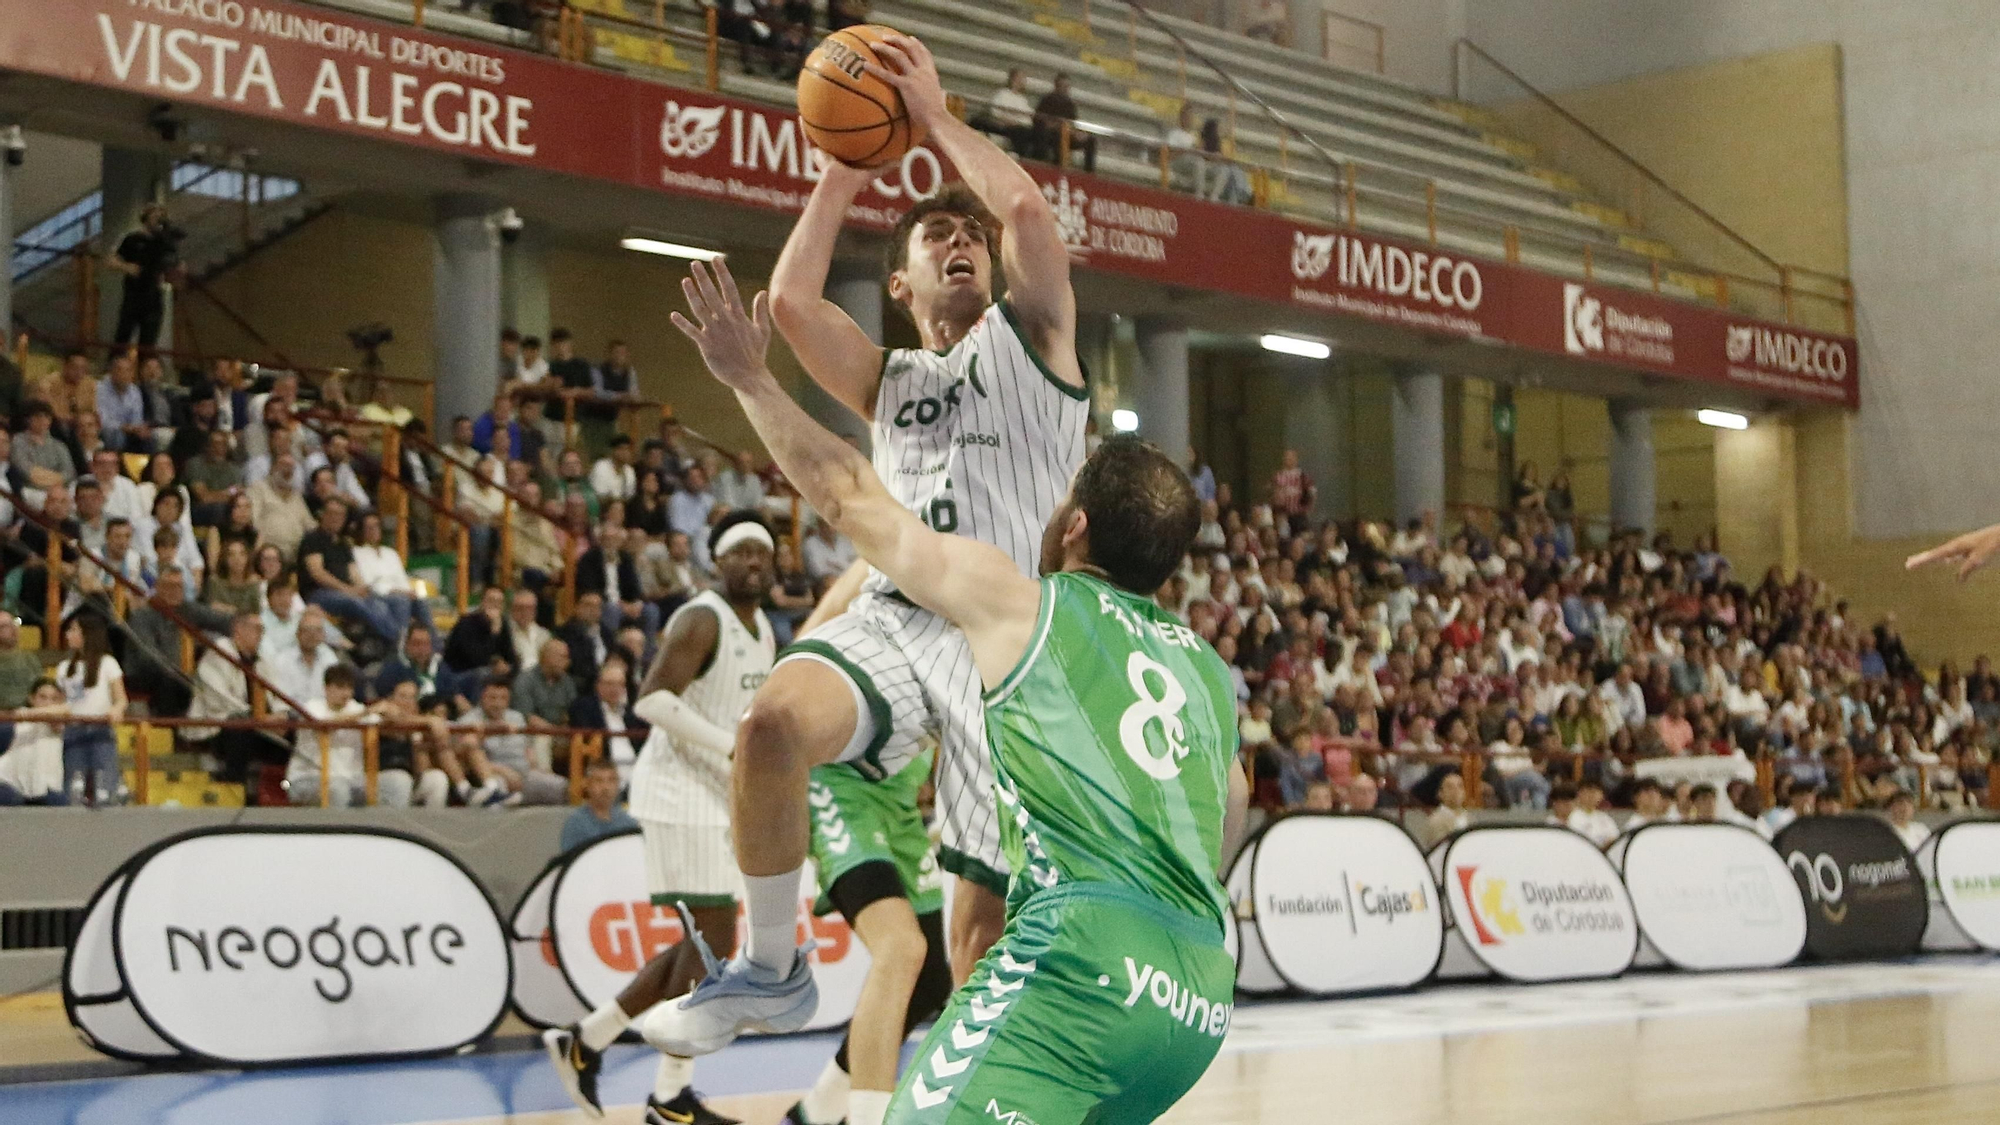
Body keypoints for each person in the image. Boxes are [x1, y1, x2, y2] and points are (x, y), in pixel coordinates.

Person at [653, 242, 1247, 1125]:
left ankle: (772, 970)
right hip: (1197, 993)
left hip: (1082, 969)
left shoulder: (1024, 603)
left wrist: (751, 380)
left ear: (1072, 522)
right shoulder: (1204, 669)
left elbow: (852, 493)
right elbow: (1231, 804)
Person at [722, 36, 1089, 1120]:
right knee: (770, 726)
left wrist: (928, 121)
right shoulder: (892, 382)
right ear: (903, 283)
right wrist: (841, 164)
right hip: (898, 622)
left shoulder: (1035, 341)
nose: (960, 242)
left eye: (964, 235)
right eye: (935, 236)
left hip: (1005, 651)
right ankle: (775, 965)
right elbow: (790, 307)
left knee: (971, 936)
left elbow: (1023, 216)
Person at [543, 511, 777, 1125]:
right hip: (678, 792)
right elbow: (651, 698)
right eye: (741, 553)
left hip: (716, 794)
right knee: (717, 942)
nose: (753, 562)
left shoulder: (765, 632)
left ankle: (589, 1042)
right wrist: (729, 747)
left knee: (700, 944)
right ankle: (667, 1096)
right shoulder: (702, 617)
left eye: (764, 554)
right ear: (718, 561)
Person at [54, 614, 126, 805]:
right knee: (73, 787)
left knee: (105, 787)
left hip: (100, 730)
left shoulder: (107, 664)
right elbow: (62, 703)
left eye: (73, 630)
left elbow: (121, 699)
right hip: (73, 731)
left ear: (88, 634)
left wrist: (116, 710)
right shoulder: (63, 668)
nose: (68, 635)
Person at [108, 203, 177, 349]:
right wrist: (127, 267)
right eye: (155, 215)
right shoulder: (132, 238)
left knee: (148, 341)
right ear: (146, 217)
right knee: (123, 336)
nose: (158, 219)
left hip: (153, 295)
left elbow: (172, 262)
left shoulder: (163, 242)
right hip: (134, 294)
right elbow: (111, 260)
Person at [0, 678, 70, 806]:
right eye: (42, 697)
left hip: (46, 788)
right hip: (11, 785)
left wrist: (29, 714)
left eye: (54, 699)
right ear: (31, 698)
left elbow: (65, 709)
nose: (48, 702)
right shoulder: (16, 720)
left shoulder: (59, 722)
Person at [560, 757, 639, 853]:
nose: (605, 787)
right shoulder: (576, 824)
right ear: (587, 784)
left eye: (611, 780)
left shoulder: (628, 824)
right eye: (599, 781)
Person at [1029, 72, 1095, 172]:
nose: (1065, 89)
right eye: (1062, 86)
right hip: (1051, 134)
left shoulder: (1070, 104)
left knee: (1090, 140)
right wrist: (1057, 126)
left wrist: (1077, 132)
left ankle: (1089, 172)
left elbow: (1072, 122)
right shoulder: (1047, 100)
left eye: (1067, 86)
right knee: (1058, 135)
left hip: (1067, 132)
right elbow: (1039, 119)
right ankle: (1058, 167)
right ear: (1056, 86)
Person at [969, 67, 1034, 153]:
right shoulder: (1002, 94)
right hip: (1003, 126)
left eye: (1022, 79)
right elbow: (995, 113)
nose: (1020, 81)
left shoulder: (1023, 100)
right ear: (1012, 79)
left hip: (1017, 127)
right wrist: (1008, 121)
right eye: (1018, 78)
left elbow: (1028, 119)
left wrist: (1017, 123)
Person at [1566, 779, 1619, 847]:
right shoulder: (1574, 817)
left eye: (1595, 792)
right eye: (1587, 791)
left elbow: (1615, 839)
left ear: (1601, 796)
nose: (1591, 795)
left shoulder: (1605, 818)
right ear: (1579, 794)